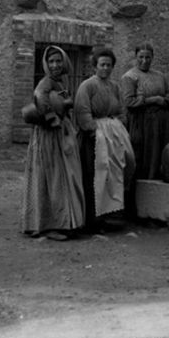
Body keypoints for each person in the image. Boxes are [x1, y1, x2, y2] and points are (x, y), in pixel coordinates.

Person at [22, 45, 85, 242]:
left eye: (58, 61)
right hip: (49, 136)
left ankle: (59, 221)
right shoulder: (46, 82)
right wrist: (52, 117)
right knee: (51, 176)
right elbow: (40, 97)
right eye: (51, 62)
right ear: (46, 64)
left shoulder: (60, 81)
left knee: (61, 176)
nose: (55, 65)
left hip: (59, 135)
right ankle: (48, 225)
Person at [74, 47, 136, 233]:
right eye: (102, 65)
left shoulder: (114, 86)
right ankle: (93, 220)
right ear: (95, 66)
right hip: (94, 139)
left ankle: (111, 216)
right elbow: (82, 111)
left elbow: (121, 111)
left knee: (116, 173)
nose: (106, 69)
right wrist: (96, 133)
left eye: (109, 65)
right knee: (95, 176)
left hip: (113, 136)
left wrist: (118, 128)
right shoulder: (87, 86)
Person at [121, 43, 169, 218]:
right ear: (135, 57)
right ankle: (138, 210)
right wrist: (154, 99)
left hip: (161, 127)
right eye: (141, 57)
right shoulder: (129, 77)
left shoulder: (159, 76)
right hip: (142, 125)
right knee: (143, 161)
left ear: (152, 58)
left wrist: (167, 99)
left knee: (161, 159)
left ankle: (158, 207)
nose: (144, 61)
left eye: (148, 57)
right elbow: (129, 103)